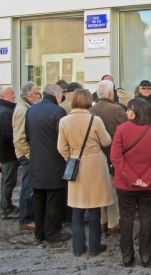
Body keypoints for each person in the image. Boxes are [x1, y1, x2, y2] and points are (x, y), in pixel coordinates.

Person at [111, 98, 151, 267]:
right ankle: (145, 255)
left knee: (126, 219)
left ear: (137, 112)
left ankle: (127, 256)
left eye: (130, 109)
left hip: (125, 183)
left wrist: (131, 178)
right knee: (146, 217)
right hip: (148, 184)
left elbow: (116, 157)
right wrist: (146, 178)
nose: (127, 112)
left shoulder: (121, 129)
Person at [58, 89, 113, 256]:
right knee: (94, 207)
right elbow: (106, 140)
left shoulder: (64, 121)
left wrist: (72, 157)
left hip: (75, 163)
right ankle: (95, 246)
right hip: (94, 162)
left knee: (77, 208)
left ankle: (78, 247)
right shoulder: (94, 120)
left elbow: (61, 147)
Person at [26, 84, 71, 243]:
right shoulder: (58, 111)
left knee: (38, 201)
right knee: (53, 201)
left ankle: (39, 233)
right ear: (57, 96)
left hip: (36, 162)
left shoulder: (31, 110)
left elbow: (28, 136)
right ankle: (52, 233)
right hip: (54, 163)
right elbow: (63, 138)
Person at [91, 80, 128, 233]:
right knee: (112, 189)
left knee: (99, 188)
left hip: (96, 155)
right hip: (113, 154)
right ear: (111, 94)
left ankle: (102, 220)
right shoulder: (116, 109)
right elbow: (127, 130)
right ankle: (113, 222)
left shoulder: (91, 109)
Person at [13, 81, 41, 230]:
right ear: (28, 94)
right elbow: (19, 138)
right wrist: (30, 155)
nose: (38, 96)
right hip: (26, 155)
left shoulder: (27, 108)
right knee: (27, 187)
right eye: (36, 93)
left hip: (28, 154)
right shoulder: (22, 110)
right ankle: (25, 219)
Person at [0, 86, 19, 220]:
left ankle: (7, 205)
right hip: (8, 153)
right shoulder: (4, 111)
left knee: (8, 181)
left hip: (8, 152)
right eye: (11, 94)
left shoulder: (5, 109)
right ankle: (6, 208)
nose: (14, 95)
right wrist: (17, 147)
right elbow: (7, 134)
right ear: (3, 96)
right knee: (8, 181)